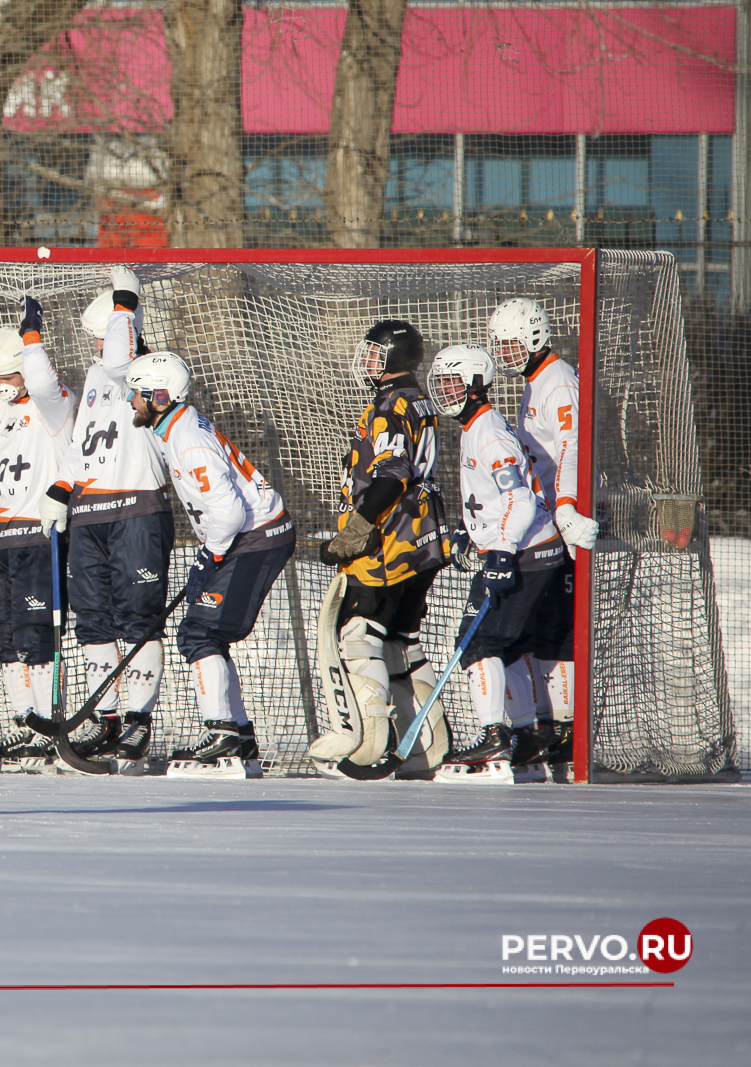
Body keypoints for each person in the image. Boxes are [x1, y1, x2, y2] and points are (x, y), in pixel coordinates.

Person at [122, 353, 296, 779]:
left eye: (137, 393)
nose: (130, 401)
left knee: (200, 633)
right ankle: (240, 741)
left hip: (252, 537)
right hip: (245, 538)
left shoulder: (186, 438)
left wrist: (209, 553)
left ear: (159, 397)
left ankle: (222, 737)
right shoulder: (176, 426)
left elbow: (230, 514)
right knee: (207, 633)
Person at [304, 320, 452, 780]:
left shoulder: (390, 404)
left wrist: (360, 525)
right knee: (400, 642)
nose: (366, 361)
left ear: (393, 357)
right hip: (424, 534)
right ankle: (428, 743)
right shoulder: (419, 399)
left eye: (374, 353)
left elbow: (392, 472)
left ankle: (370, 744)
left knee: (358, 634)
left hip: (391, 536)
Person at [39, 266, 173, 764]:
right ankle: (107, 718)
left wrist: (125, 298)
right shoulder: (99, 374)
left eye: (102, 338)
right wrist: (60, 488)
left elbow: (120, 355)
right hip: (90, 512)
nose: (97, 349)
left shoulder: (149, 371)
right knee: (92, 618)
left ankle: (139, 723)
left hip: (137, 508)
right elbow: (82, 444)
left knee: (138, 616)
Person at [425, 344, 571, 785]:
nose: (444, 391)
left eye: (452, 382)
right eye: (442, 383)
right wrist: (471, 532)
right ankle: (525, 737)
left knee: (478, 643)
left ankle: (495, 737)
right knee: (506, 646)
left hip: (524, 552)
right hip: (530, 549)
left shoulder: (488, 433)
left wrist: (502, 549)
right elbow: (492, 498)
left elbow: (519, 498)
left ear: (474, 387)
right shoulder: (475, 427)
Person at [488, 297, 595, 777]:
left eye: (511, 343)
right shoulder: (536, 382)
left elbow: (574, 447)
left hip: (562, 526)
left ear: (534, 337)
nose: (505, 353)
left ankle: (565, 734)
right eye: (500, 346)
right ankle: (549, 729)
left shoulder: (557, 383)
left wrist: (570, 506)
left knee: (555, 633)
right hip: (547, 526)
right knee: (538, 631)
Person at [0, 297, 79, 771]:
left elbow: (43, 383)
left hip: (40, 540)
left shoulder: (52, 406)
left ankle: (47, 727)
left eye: (9, 377)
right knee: (6, 638)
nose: (1, 387)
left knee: (38, 638)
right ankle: (24, 725)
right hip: (0, 539)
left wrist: (32, 335)